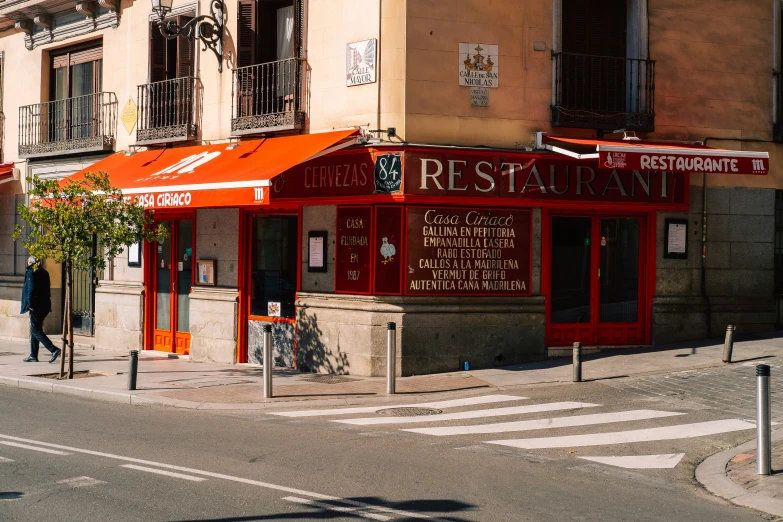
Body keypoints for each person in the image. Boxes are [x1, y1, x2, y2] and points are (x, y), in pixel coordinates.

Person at [20, 256, 61, 363]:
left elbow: (31, 289)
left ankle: (54, 349)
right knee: (35, 328)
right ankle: (33, 355)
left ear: (30, 263)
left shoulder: (31, 272)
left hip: (36, 306)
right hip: (45, 305)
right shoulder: (45, 272)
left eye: (28, 262)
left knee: (35, 330)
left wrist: (30, 304)